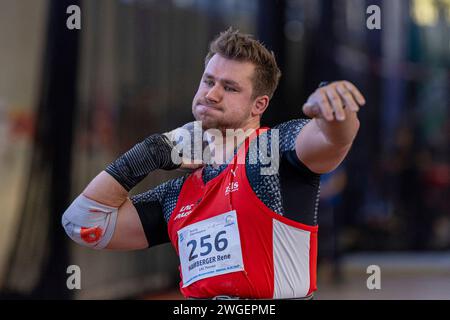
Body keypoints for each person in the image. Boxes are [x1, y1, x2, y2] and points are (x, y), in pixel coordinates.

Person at [62, 28, 365, 300]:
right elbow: (81, 224)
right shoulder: (176, 195)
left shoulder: (269, 152)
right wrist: (149, 153)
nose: (212, 93)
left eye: (230, 88)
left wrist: (337, 112)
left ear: (258, 104)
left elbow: (331, 140)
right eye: (209, 81)